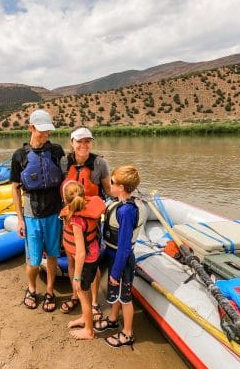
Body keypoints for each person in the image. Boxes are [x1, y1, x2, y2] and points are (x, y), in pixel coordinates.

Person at [10, 109, 64, 312]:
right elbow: (15, 187)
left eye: (48, 131)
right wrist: (20, 219)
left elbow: (66, 181)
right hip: (32, 215)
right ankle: (32, 289)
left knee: (52, 255)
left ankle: (50, 290)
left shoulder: (56, 151)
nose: (45, 135)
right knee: (33, 260)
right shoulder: (19, 156)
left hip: (54, 213)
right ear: (31, 128)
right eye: (41, 131)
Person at [59, 127, 112, 322]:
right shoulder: (64, 161)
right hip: (71, 218)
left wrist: (126, 194)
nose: (83, 145)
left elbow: (108, 190)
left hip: (90, 221)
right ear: (72, 143)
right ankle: (76, 295)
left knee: (92, 260)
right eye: (79, 141)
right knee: (72, 257)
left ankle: (95, 302)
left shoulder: (100, 163)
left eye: (87, 141)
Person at [94, 165, 147, 348]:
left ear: (122, 187)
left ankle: (127, 333)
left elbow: (124, 247)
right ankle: (113, 318)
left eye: (113, 182)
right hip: (113, 255)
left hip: (121, 261)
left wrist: (116, 273)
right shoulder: (121, 204)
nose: (110, 183)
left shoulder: (126, 211)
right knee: (116, 295)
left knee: (125, 298)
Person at [60, 181, 105, 339]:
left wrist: (77, 276)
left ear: (65, 200)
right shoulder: (86, 209)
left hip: (86, 261)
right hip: (93, 255)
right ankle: (85, 319)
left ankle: (89, 331)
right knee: (83, 294)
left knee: (83, 295)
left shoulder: (76, 220)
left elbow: (80, 252)